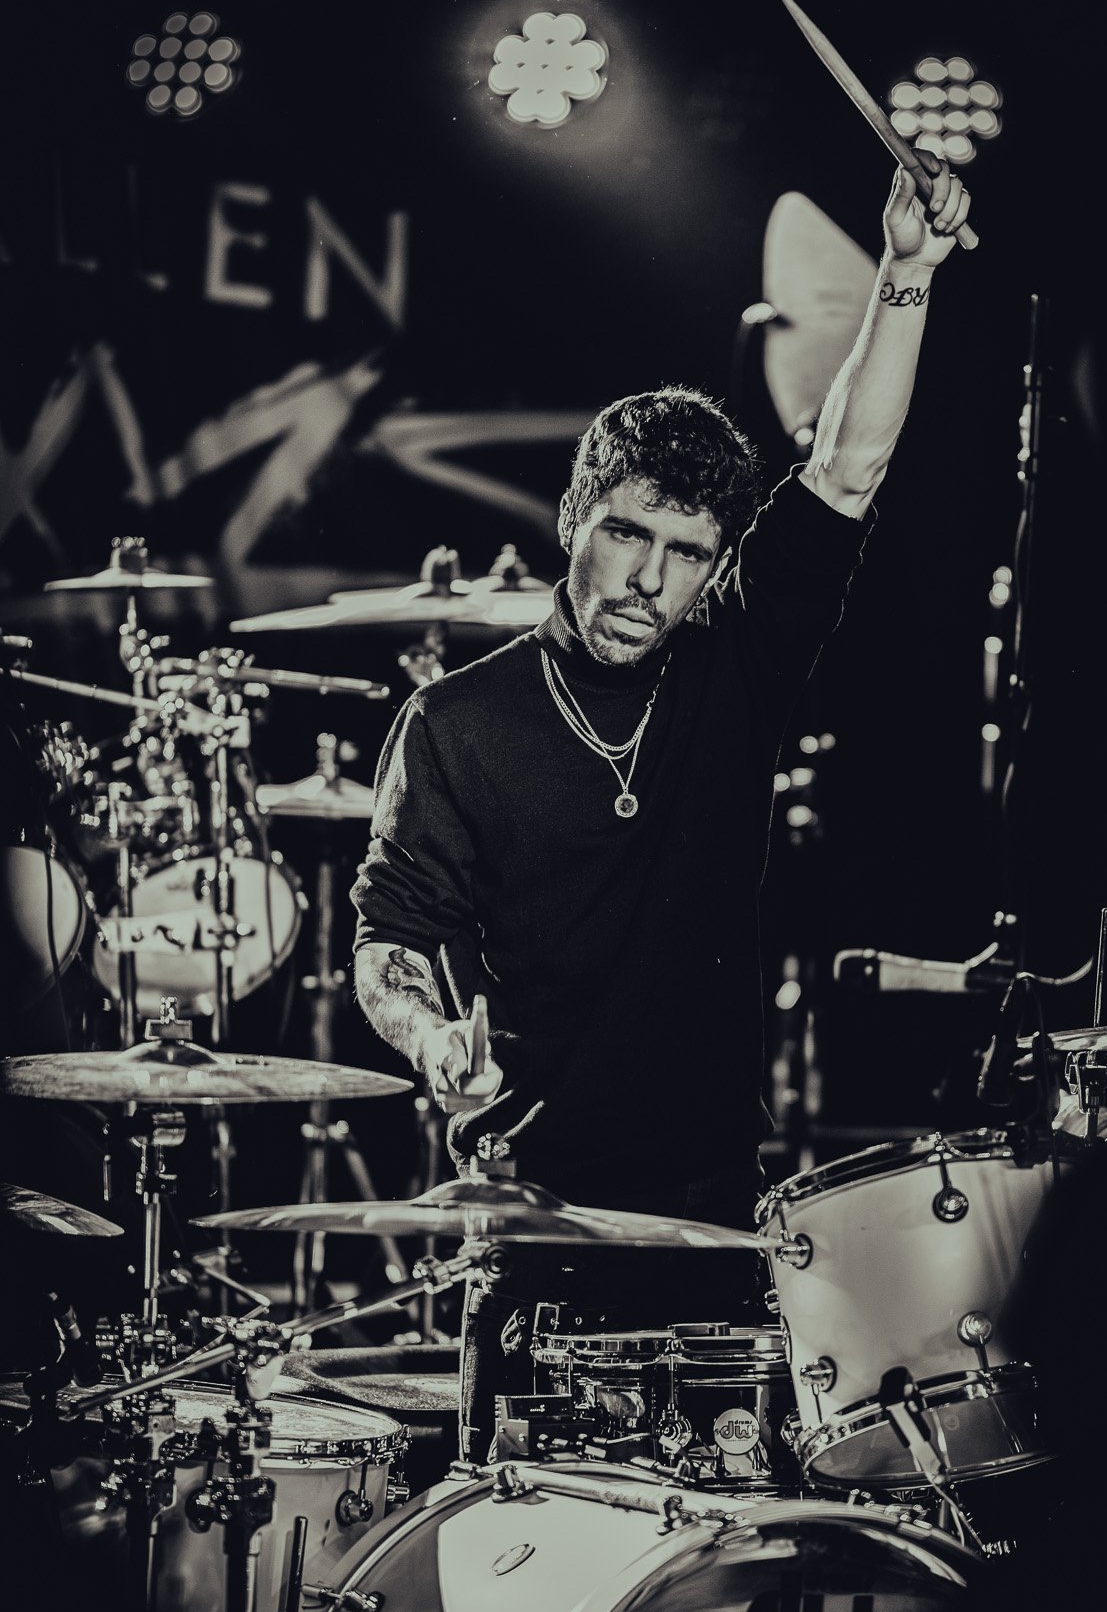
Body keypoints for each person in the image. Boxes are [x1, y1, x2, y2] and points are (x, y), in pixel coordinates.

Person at [351, 160, 972, 1457]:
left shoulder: (733, 664)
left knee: (702, 1521)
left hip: (703, 1197)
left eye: (687, 554)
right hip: (525, 1203)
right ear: (576, 519)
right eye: (628, 535)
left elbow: (847, 465)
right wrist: (426, 1035)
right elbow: (386, 942)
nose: (649, 579)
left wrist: (905, 272)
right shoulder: (459, 722)